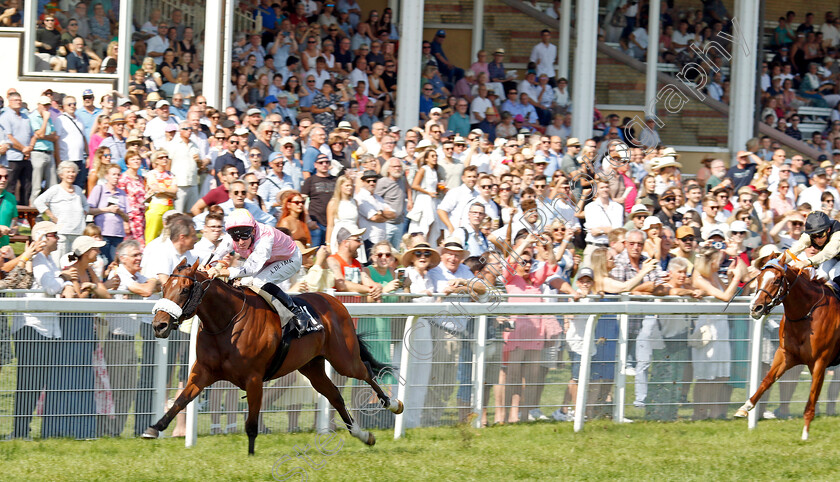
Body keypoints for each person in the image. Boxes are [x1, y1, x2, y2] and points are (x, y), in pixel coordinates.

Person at [204, 209, 320, 337]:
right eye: (236, 237)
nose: (241, 242)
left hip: (289, 258)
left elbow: (250, 269)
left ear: (253, 230)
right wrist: (203, 268)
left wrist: (221, 271)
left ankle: (298, 313)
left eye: (245, 236)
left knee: (259, 282)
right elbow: (216, 254)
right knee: (243, 283)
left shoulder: (265, 238)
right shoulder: (230, 237)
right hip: (268, 259)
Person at [101, 240, 159, 437]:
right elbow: (147, 289)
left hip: (129, 340)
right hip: (115, 340)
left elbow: (155, 283)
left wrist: (149, 283)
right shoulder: (118, 274)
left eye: (139, 254)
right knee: (115, 390)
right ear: (122, 258)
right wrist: (148, 284)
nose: (138, 258)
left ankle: (116, 432)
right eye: (134, 255)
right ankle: (107, 433)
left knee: (128, 390)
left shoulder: (135, 275)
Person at [690, 244, 747, 420]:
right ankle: (699, 413)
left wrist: (732, 279)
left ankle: (713, 413)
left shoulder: (714, 275)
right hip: (707, 328)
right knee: (705, 375)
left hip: (721, 327)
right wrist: (736, 278)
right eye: (718, 261)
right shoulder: (699, 277)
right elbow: (725, 297)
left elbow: (730, 295)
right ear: (710, 261)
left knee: (720, 375)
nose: (720, 264)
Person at [33, 161, 91, 260]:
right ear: (61, 174)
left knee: (73, 262)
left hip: (78, 231)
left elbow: (86, 205)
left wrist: (83, 212)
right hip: (62, 232)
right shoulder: (55, 189)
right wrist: (51, 216)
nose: (71, 174)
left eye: (73, 172)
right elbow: (38, 202)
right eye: (68, 172)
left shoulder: (78, 189)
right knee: (59, 260)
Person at [789, 210, 840, 282]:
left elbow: (828, 252)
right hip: (835, 257)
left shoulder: (837, 234)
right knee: (822, 275)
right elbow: (792, 251)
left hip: (831, 255)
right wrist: (775, 263)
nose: (817, 240)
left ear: (828, 229)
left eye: (821, 235)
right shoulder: (808, 235)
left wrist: (806, 262)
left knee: (834, 274)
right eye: (814, 236)